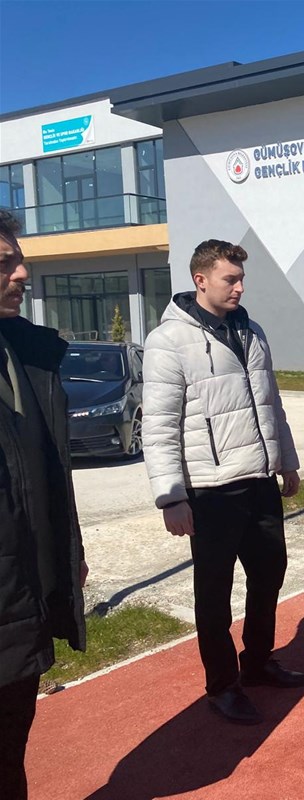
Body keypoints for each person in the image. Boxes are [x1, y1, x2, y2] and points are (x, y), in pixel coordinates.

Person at [142, 239, 304, 726]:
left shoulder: (252, 331)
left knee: (270, 573)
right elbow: (159, 425)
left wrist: (287, 461)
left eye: (241, 278)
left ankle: (256, 661)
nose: (239, 287)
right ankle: (222, 685)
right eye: (229, 279)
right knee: (214, 594)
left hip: (259, 481)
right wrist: (171, 497)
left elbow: (271, 403)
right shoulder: (169, 340)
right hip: (210, 490)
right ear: (200, 280)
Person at [0, 209, 88, 799]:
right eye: (4, 263)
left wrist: (69, 548)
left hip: (24, 597)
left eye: (19, 260)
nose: (23, 274)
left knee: (11, 756)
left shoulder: (28, 353)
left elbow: (48, 471)